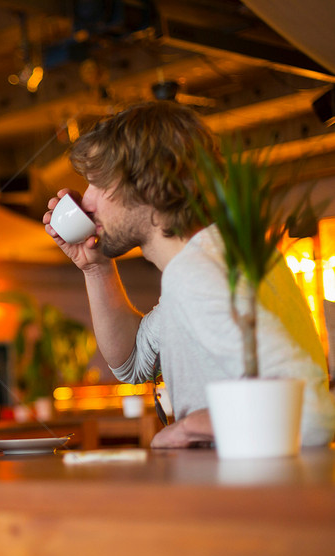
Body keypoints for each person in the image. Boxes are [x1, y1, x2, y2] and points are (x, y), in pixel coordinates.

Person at [42, 100, 335, 448]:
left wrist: (189, 426)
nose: (85, 202)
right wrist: (95, 267)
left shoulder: (198, 272)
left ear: (150, 183)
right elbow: (132, 363)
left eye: (97, 183)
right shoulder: (213, 261)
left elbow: (312, 413)